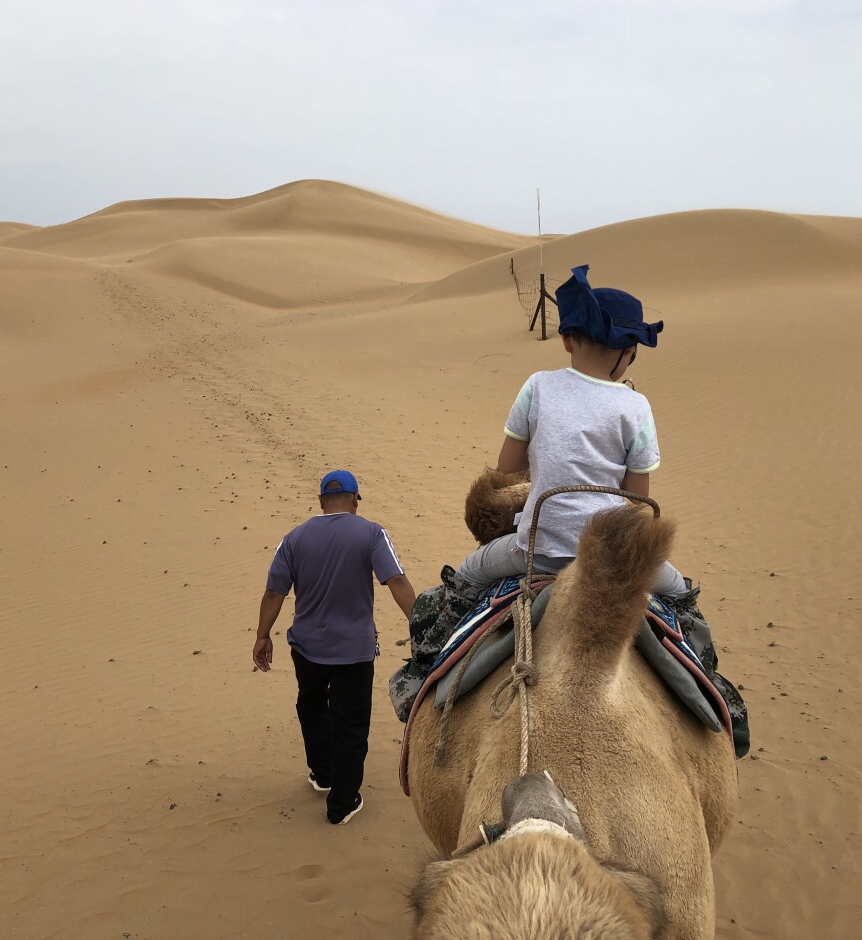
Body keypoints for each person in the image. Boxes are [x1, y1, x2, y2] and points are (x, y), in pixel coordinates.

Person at [454, 264, 689, 598]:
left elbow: (507, 468)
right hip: (609, 556)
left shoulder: (537, 386)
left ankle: (433, 643)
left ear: (566, 341)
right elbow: (637, 499)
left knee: (466, 576)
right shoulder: (637, 406)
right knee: (682, 594)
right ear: (628, 351)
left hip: (535, 552)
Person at [254, 469, 416, 825]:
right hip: (353, 651)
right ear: (355, 499)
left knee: (311, 703)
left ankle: (324, 775)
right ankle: (342, 802)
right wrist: (418, 626)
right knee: (351, 721)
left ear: (320, 502)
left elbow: (273, 592)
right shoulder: (372, 533)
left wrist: (262, 635)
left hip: (306, 648)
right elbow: (396, 580)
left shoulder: (294, 538)